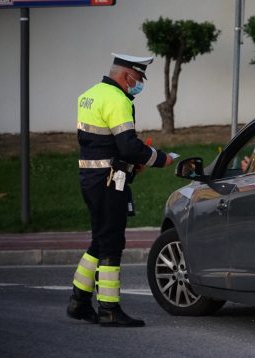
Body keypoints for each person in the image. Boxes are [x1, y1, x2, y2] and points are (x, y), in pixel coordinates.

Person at [67, 53, 173, 327]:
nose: (139, 85)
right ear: (126, 76)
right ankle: (109, 309)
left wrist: (130, 162)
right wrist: (161, 158)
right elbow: (127, 145)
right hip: (109, 181)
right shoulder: (118, 100)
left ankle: (79, 301)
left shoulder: (89, 95)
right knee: (112, 242)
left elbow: (98, 141)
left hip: (90, 178)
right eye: (138, 79)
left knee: (100, 239)